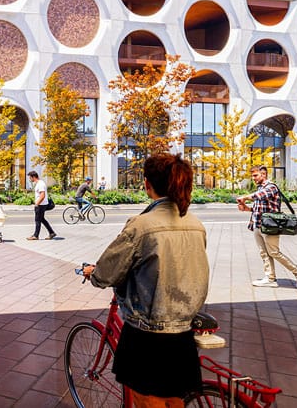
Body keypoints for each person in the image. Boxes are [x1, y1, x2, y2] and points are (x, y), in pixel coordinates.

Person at [81, 153, 209, 407]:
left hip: (148, 333)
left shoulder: (142, 225)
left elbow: (108, 271)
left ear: (148, 185)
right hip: (183, 329)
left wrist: (93, 273)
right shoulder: (196, 224)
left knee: (145, 399)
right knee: (175, 398)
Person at [237, 166, 297, 289]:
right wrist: (248, 209)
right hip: (258, 225)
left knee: (274, 252)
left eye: (255, 175)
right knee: (264, 253)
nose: (253, 178)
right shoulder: (260, 188)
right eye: (252, 176)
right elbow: (261, 208)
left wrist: (245, 197)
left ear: (263, 175)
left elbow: (260, 196)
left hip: (270, 227)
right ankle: (270, 278)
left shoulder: (271, 187)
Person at [26, 171, 57, 241]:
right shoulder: (39, 183)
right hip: (42, 204)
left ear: (33, 177)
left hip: (40, 205)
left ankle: (36, 236)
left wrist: (37, 204)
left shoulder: (40, 184)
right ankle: (52, 233)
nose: (30, 179)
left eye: (30, 177)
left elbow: (42, 195)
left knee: (37, 220)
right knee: (41, 219)